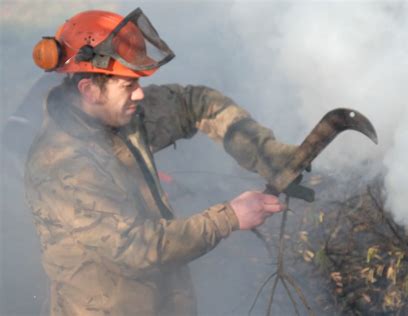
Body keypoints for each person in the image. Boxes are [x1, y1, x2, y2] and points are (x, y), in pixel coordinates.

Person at [25, 8, 296, 315]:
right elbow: (134, 249)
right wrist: (228, 217)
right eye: (129, 86)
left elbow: (195, 104)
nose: (139, 96)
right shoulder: (62, 166)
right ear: (90, 91)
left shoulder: (118, 117)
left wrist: (268, 154)